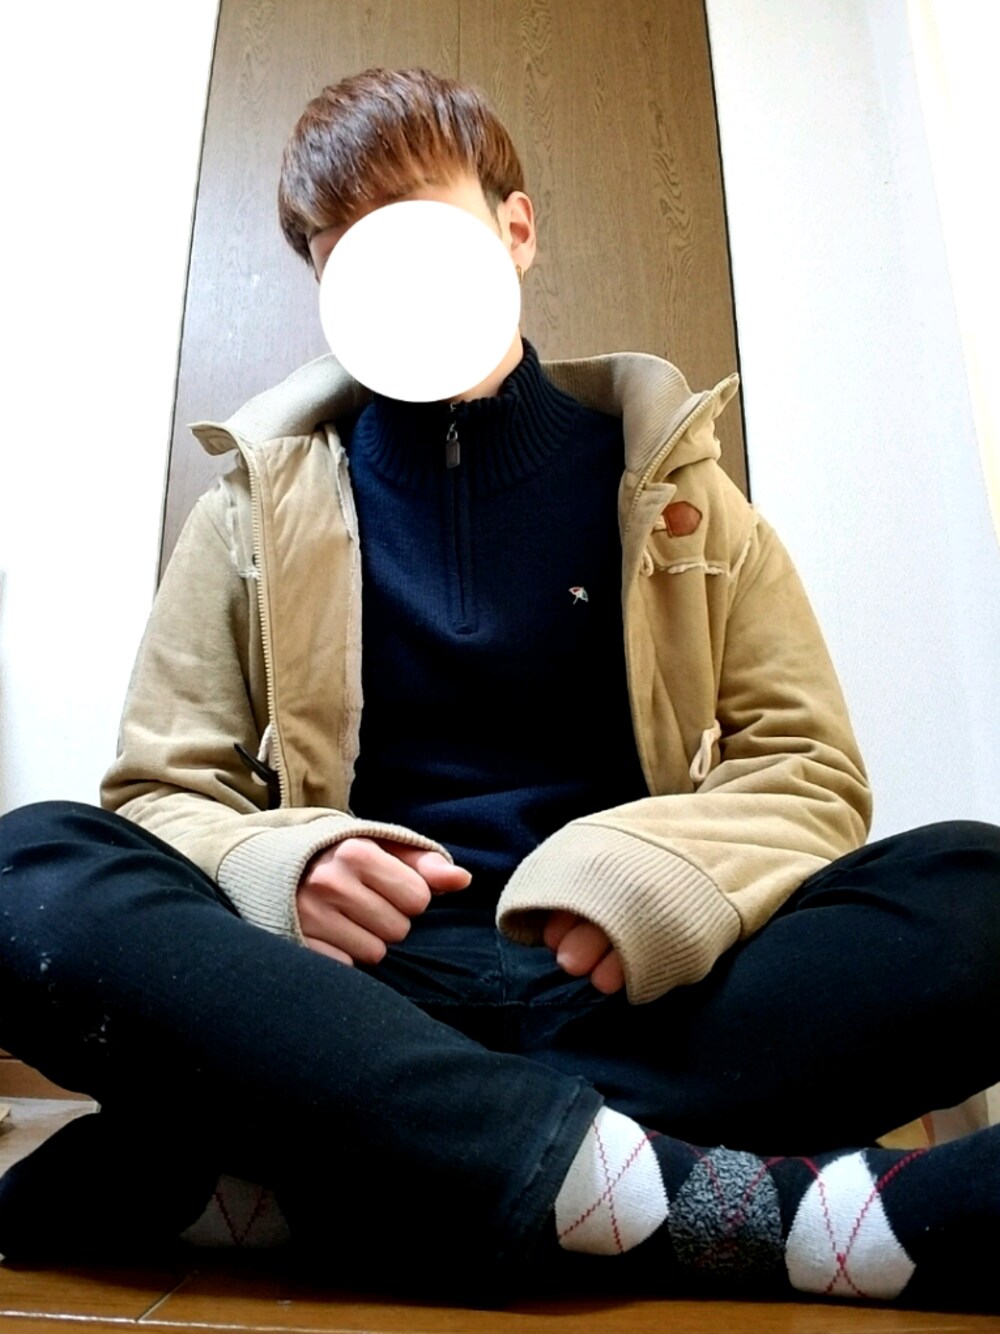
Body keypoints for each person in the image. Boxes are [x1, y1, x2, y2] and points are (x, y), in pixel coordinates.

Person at [0, 66, 998, 1310]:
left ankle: (300, 1173)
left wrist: (657, 882)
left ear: (514, 229)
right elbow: (162, 789)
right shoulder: (246, 514)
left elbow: (807, 771)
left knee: (977, 888)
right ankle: (747, 1209)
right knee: (27, 869)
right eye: (342, 248)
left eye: (418, 223)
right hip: (343, 999)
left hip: (636, 999)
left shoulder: (683, 496)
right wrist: (285, 864)